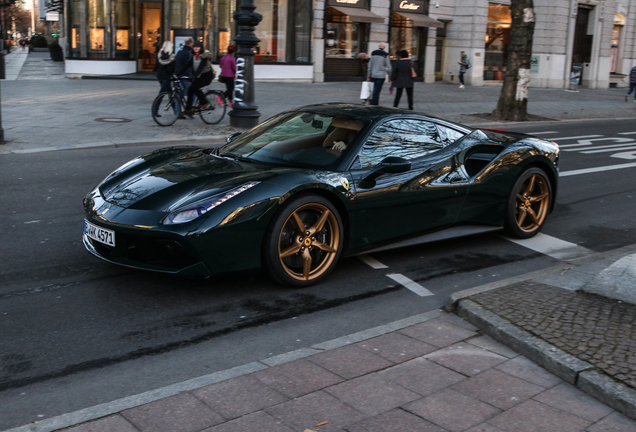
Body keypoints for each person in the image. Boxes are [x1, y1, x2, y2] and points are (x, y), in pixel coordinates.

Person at [184, 41, 215, 114]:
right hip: (199, 76)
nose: (195, 48)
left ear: (201, 48)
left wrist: (193, 76)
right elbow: (187, 65)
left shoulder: (204, 56)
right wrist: (177, 73)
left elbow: (200, 67)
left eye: (197, 47)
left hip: (207, 76)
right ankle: (188, 108)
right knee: (190, 90)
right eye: (194, 46)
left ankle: (205, 103)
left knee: (195, 87)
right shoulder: (193, 56)